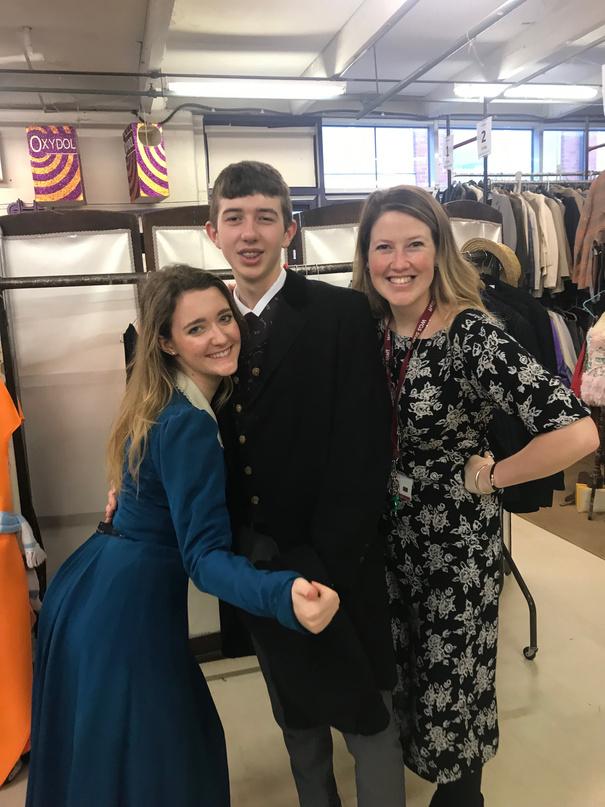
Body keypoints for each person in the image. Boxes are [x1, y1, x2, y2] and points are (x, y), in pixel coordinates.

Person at [25, 266, 340, 807]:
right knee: (164, 761)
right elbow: (203, 558)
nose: (219, 336)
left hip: (91, 586)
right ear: (167, 343)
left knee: (111, 759)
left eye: (223, 319)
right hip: (127, 612)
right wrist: (282, 594)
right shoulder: (189, 423)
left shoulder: (157, 396)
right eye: (196, 328)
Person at [351, 184, 599, 807]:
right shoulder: (368, 327)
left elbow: (578, 431)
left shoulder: (472, 334)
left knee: (453, 691)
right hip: (388, 540)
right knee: (405, 681)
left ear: (440, 249)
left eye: (415, 244)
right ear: (366, 255)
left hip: (455, 550)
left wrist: (495, 476)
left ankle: (463, 798)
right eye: (384, 247)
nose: (399, 262)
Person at [204, 161, 406, 807]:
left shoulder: (341, 313)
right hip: (257, 560)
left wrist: (326, 561)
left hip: (339, 553)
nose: (250, 233)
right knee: (295, 713)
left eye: (265, 217)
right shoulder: (202, 325)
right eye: (234, 218)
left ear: (289, 229)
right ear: (212, 231)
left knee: (369, 713)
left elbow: (363, 447)